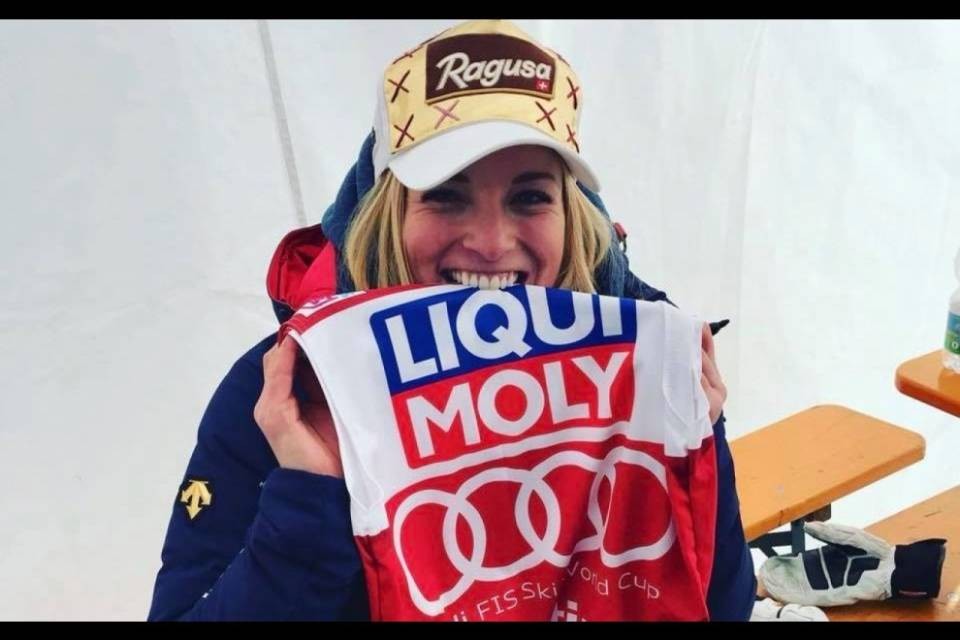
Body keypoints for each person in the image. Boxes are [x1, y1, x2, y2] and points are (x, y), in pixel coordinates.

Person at [148, 19, 756, 621]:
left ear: (573, 217)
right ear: (386, 211)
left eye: (529, 197)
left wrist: (697, 449)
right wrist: (310, 500)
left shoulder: (638, 370)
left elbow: (715, 608)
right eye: (446, 195)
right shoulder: (289, 391)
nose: (491, 243)